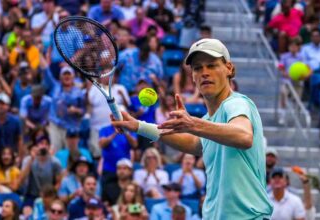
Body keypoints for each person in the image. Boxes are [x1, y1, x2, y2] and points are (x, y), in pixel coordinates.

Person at [111, 38, 273, 219]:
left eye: (211, 65)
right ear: (192, 77)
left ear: (229, 68)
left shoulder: (236, 103)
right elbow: (195, 144)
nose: (204, 73)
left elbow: (244, 136)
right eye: (197, 68)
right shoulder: (209, 120)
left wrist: (193, 124)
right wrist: (138, 125)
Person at [20, 135, 63, 207]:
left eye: (46, 144)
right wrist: (31, 159)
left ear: (49, 147)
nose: (44, 146)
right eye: (41, 143)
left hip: (49, 196)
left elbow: (58, 182)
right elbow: (22, 179)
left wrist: (50, 195)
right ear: (36, 146)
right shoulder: (27, 160)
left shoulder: (55, 162)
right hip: (31, 195)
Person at [0, 92, 23, 159]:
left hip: (10, 156)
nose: (0, 106)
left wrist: (19, 156)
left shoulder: (15, 121)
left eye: (3, 104)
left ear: (8, 106)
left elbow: (19, 140)